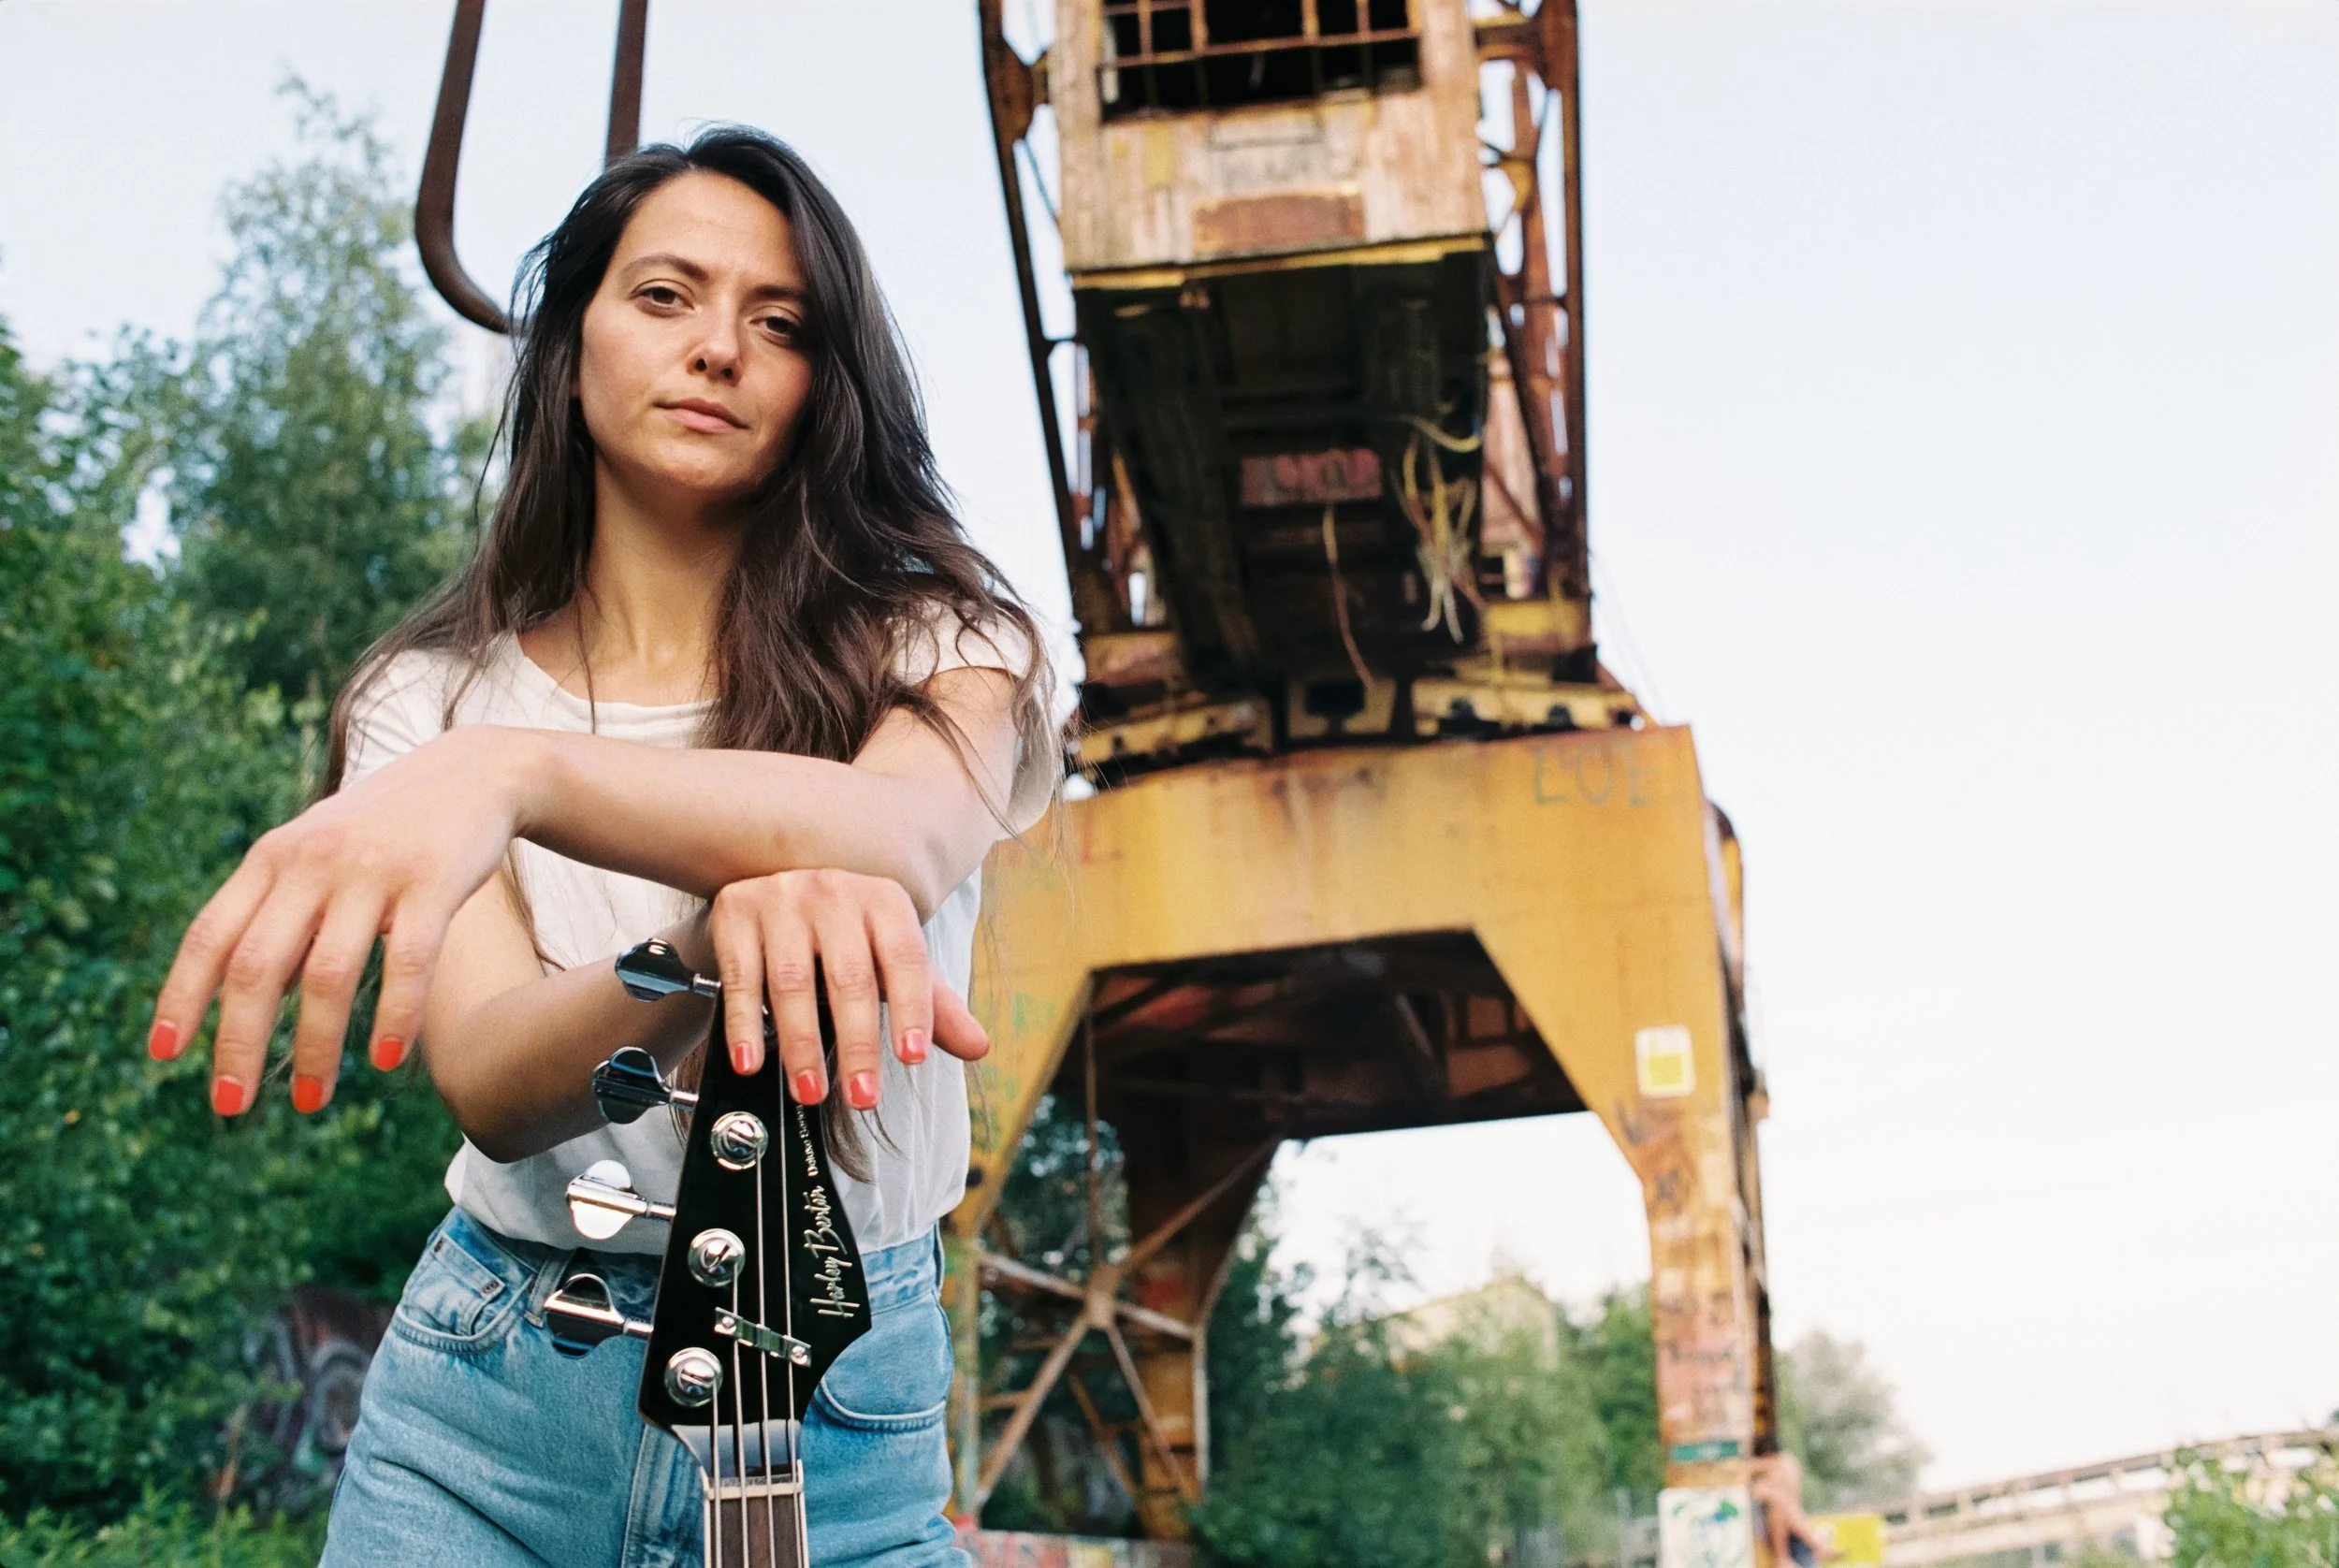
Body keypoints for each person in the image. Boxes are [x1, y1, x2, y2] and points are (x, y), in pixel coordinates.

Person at [145, 125, 1056, 1567]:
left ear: (828, 384)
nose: (719, 349)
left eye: (781, 323)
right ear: (570, 344)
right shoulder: (427, 702)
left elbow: (894, 838)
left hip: (833, 1429)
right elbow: (494, 1080)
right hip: (482, 1420)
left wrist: (513, 776)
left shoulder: (947, 643)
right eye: (665, 296)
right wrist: (696, 950)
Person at [1750, 1448, 1840, 1568]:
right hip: (1786, 1531)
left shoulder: (1783, 1464)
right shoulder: (1772, 1471)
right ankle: (1807, 1548)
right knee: (1778, 1499)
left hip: (1791, 1533)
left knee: (1781, 1498)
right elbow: (1742, 1469)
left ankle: (1797, 1551)